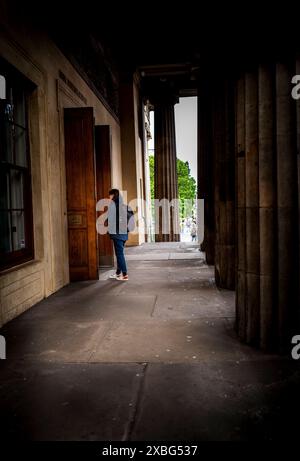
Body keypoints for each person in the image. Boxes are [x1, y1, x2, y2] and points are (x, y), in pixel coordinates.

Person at [107, 189, 134, 281]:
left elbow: (111, 220)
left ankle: (125, 274)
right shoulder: (126, 206)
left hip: (117, 233)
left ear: (114, 196)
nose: (109, 197)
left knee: (119, 254)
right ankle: (118, 273)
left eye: (110, 195)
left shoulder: (114, 207)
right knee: (120, 253)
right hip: (124, 233)